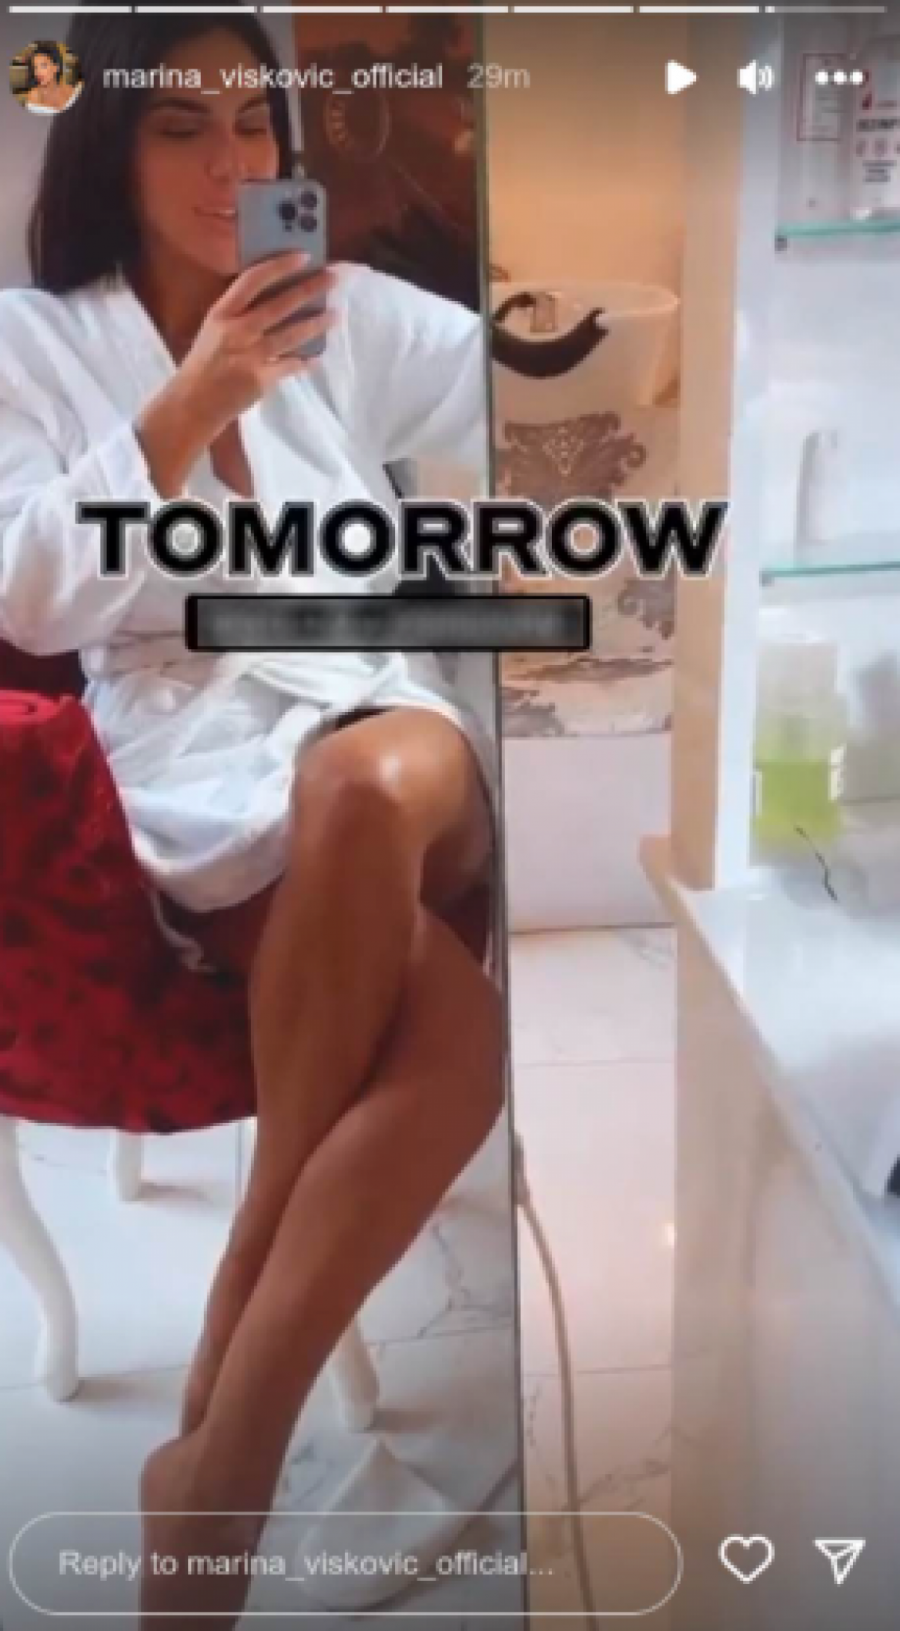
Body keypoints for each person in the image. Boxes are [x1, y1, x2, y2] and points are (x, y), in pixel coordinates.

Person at [0, 7, 502, 1625]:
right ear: (110, 147)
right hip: (189, 744)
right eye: (181, 126)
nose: (231, 162)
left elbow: (512, 386)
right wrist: (188, 400)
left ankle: (221, 1410)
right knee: (454, 1036)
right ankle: (227, 1459)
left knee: (360, 774)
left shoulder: (338, 308)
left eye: (254, 123)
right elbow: (27, 597)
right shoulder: (30, 342)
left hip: (380, 704)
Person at [22, 40, 79, 114]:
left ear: (56, 67)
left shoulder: (70, 90)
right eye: (35, 67)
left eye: (43, 66)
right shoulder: (34, 96)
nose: (38, 72)